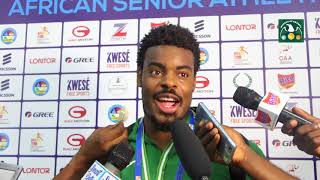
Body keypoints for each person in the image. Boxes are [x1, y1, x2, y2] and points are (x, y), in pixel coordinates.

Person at [55, 24, 296, 180]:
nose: (170, 82)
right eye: (157, 72)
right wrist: (82, 159)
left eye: (182, 74)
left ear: (194, 83)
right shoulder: (112, 148)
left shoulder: (225, 146)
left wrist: (245, 158)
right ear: (140, 77)